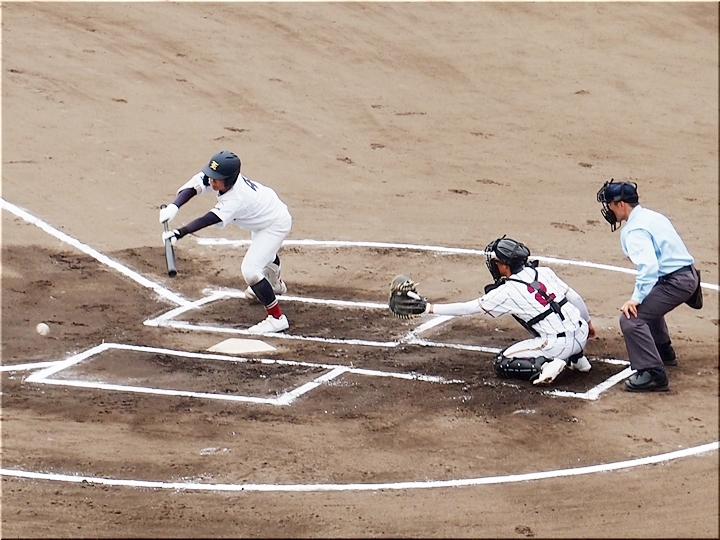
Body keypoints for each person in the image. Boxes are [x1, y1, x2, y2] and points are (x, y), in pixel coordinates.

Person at [423, 236, 596, 386]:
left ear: (505, 265)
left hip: (557, 346)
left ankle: (546, 365)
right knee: (550, 311)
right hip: (582, 333)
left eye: (496, 261)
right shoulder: (544, 272)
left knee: (502, 362)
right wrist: (588, 324)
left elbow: (468, 308)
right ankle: (578, 359)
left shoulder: (506, 292)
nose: (494, 264)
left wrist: (429, 308)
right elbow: (576, 299)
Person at [159, 150, 292, 334]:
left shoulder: (236, 198)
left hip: (274, 223)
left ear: (229, 180)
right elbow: (195, 185)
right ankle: (273, 284)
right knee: (263, 255)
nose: (211, 181)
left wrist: (179, 233)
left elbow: (209, 218)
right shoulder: (219, 179)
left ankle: (277, 319)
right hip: (264, 213)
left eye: (216, 179)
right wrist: (175, 206)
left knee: (251, 270)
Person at [596, 179, 700, 392]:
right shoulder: (653, 216)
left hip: (676, 282)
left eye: (610, 204)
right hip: (686, 275)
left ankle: (653, 373)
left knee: (631, 319)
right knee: (648, 303)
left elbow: (649, 266)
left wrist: (635, 298)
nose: (609, 209)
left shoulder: (635, 230)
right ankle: (663, 351)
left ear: (621, 204)